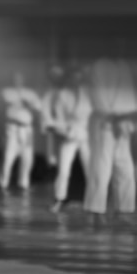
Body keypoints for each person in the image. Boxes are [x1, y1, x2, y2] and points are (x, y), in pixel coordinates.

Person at [84, 48, 137, 226]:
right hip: (105, 123)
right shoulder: (99, 65)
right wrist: (114, 116)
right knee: (101, 168)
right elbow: (98, 96)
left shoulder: (124, 65)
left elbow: (130, 95)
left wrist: (129, 118)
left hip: (124, 124)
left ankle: (124, 210)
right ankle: (96, 210)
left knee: (126, 170)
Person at [49, 66, 92, 213]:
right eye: (74, 77)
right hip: (70, 134)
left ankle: (93, 201)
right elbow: (59, 118)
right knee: (63, 170)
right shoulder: (63, 95)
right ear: (70, 79)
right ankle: (59, 199)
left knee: (90, 169)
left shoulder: (89, 93)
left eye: (79, 78)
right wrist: (64, 131)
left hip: (86, 134)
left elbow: (94, 114)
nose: (77, 81)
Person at [0, 71, 42, 190]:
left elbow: (39, 107)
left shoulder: (30, 93)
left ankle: (24, 183)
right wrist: (22, 102)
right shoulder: (7, 91)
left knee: (27, 157)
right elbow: (4, 102)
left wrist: (30, 103)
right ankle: (3, 182)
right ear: (12, 79)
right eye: (15, 78)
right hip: (12, 129)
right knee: (8, 157)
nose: (18, 80)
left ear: (24, 79)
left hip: (26, 129)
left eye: (20, 78)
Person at [41, 64, 66, 169]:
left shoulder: (65, 91)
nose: (56, 78)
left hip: (65, 124)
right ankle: (53, 167)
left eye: (58, 75)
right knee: (52, 150)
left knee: (64, 151)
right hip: (52, 124)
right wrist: (49, 122)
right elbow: (45, 108)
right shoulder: (48, 92)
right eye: (54, 75)